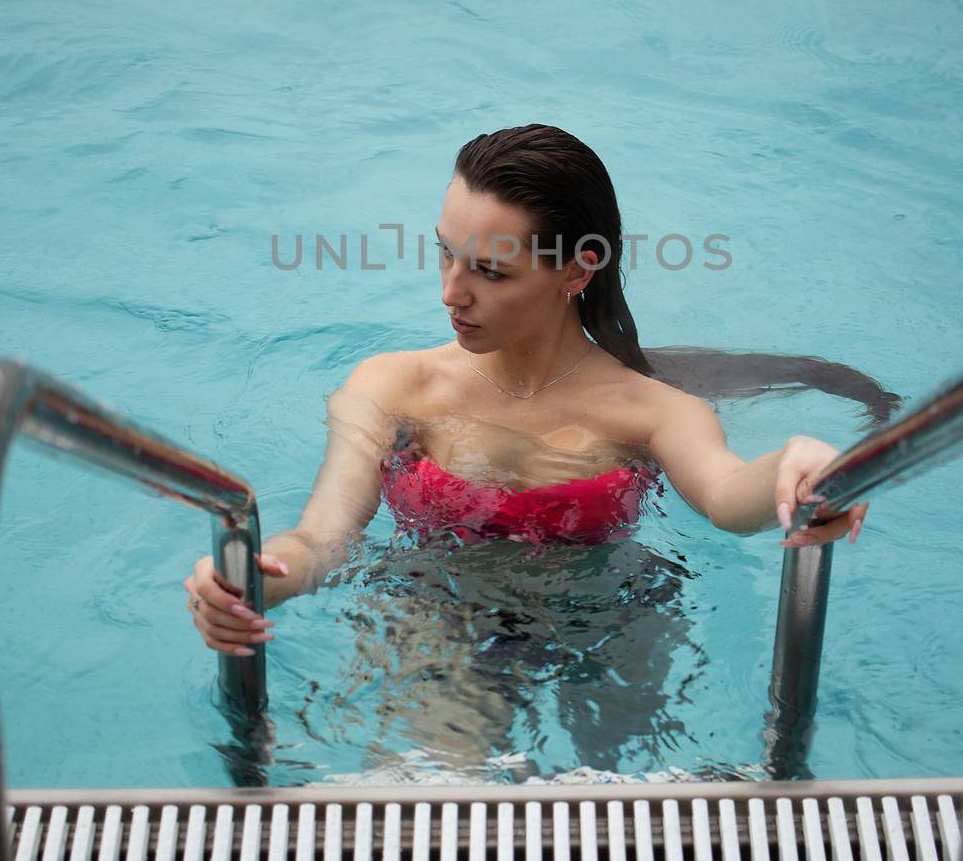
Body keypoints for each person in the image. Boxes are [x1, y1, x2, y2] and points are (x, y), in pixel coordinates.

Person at [184, 123, 899, 658]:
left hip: (614, 611)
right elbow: (323, 538)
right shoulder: (394, 384)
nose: (449, 294)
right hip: (439, 607)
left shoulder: (651, 410)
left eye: (490, 273)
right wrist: (249, 576)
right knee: (436, 797)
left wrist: (799, 466)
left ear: (575, 272)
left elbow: (726, 499)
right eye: (443, 252)